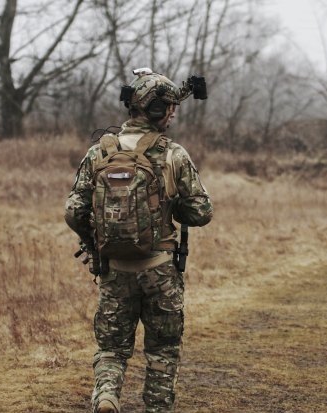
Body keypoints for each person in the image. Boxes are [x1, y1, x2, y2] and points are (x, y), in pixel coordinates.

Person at [65, 68, 213, 413]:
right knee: (162, 350)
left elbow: (73, 210)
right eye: (170, 109)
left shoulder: (99, 153)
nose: (173, 115)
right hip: (160, 270)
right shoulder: (174, 154)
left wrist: (95, 242)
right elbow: (202, 212)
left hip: (114, 270)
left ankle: (106, 396)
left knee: (112, 348)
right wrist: (170, 206)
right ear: (159, 111)